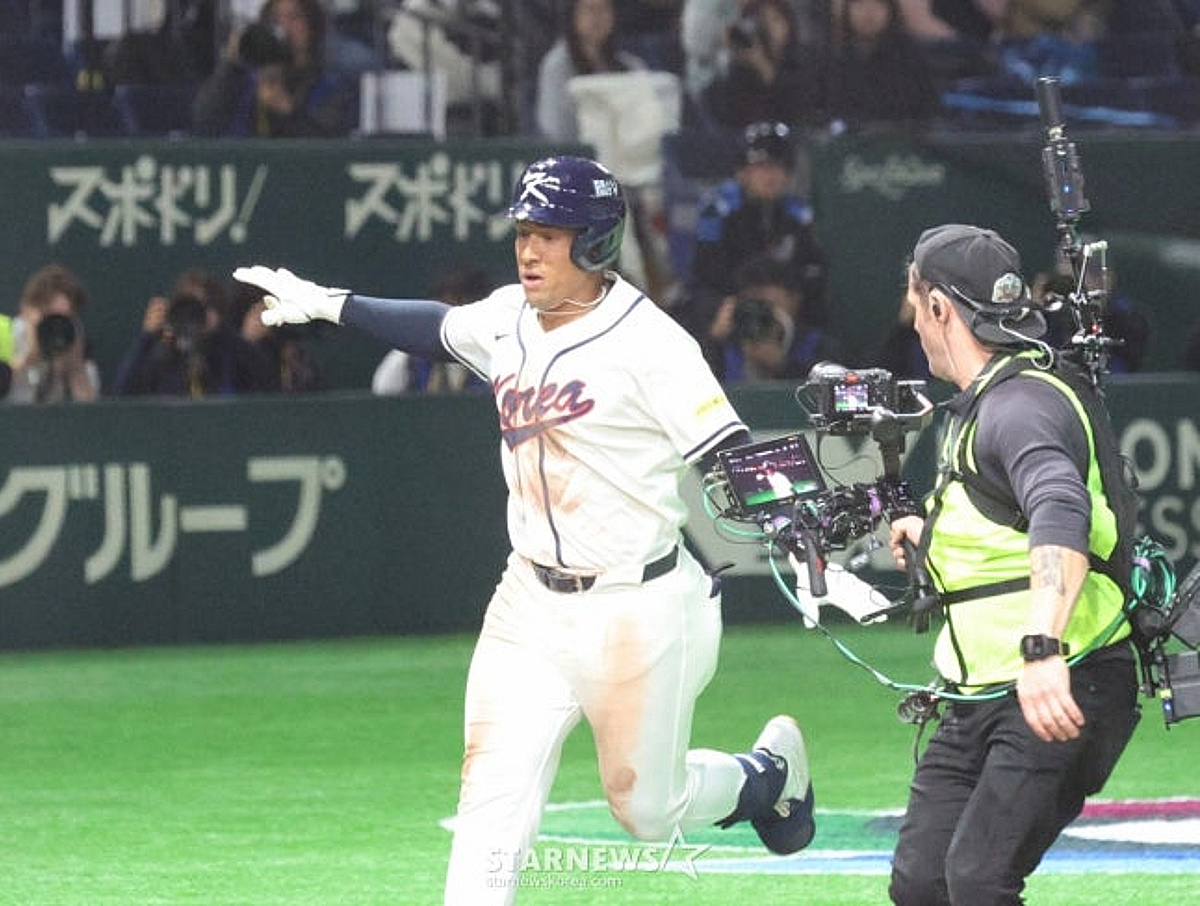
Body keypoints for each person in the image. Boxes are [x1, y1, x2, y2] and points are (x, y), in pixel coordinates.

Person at [233, 155, 817, 905]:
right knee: (491, 805)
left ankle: (768, 776)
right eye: (523, 231)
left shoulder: (652, 343)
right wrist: (329, 302)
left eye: (550, 234)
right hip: (529, 604)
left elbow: (729, 450)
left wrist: (795, 524)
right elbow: (438, 328)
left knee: (647, 809)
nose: (529, 249)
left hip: (638, 605)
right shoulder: (508, 316)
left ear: (597, 242)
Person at [886, 224, 1142, 905]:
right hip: (982, 693)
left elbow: (1062, 512)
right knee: (923, 883)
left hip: (1064, 678)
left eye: (915, 302)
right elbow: (1007, 519)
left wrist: (1042, 648)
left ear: (939, 306)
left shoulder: (1019, 404)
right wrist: (931, 534)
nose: (912, 320)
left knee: (976, 879)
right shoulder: (987, 401)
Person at [679, 120, 829, 359]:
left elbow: (811, 275)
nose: (772, 175)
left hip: (786, 317)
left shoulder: (797, 217)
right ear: (742, 172)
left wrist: (788, 298)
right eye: (761, 167)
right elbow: (704, 279)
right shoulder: (720, 212)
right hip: (733, 307)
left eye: (779, 167)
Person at [192, 0, 354, 138]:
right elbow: (204, 120)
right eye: (275, 19)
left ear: (312, 26)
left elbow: (329, 145)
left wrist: (287, 112)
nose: (284, 27)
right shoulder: (244, 79)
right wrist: (231, 63)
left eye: (294, 18)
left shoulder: (331, 88)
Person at [113, 268, 279, 398]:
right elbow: (122, 395)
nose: (193, 317)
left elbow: (269, 385)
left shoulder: (230, 355)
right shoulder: (163, 358)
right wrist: (147, 337)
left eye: (200, 308)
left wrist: (223, 332)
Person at [710, 255, 843, 382]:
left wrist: (780, 365)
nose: (761, 312)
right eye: (753, 304)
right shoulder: (728, 347)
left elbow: (827, 392)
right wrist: (714, 342)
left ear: (794, 300)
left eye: (768, 304)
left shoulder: (818, 346)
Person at [535, 0, 647, 142]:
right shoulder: (557, 65)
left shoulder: (630, 65)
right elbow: (555, 128)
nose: (597, 17)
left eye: (604, 10)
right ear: (573, 16)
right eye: (590, 10)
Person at [699, 0, 822, 129]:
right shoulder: (743, 68)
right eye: (762, 22)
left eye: (775, 19)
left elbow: (796, 110)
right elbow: (730, 116)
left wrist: (763, 66)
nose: (769, 28)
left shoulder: (803, 59)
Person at [371, 265, 493, 394]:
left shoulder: (493, 350)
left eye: (457, 303)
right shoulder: (415, 353)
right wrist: (412, 342)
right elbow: (383, 389)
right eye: (441, 304)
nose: (447, 313)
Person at [823, 0, 940, 131]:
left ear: (891, 11)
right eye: (860, 5)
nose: (868, 13)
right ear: (847, 11)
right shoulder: (833, 57)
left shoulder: (909, 59)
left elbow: (927, 111)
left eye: (878, 5)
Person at [1, 263, 101, 404]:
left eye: (63, 319)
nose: (54, 327)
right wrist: (29, 358)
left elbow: (92, 415)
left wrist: (75, 370)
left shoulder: (73, 341)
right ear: (27, 309)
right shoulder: (4, 335)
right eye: (48, 317)